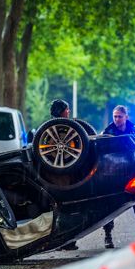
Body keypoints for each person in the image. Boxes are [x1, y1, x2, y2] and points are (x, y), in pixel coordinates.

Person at [101, 105, 135, 249]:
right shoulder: (108, 132)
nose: (117, 119)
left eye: (120, 116)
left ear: (126, 117)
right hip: (114, 174)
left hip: (132, 173)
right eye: (115, 116)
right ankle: (108, 236)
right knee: (109, 207)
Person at [49, 99, 80, 250]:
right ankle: (67, 241)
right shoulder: (66, 127)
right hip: (64, 172)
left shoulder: (47, 127)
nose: (69, 112)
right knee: (67, 206)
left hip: (53, 172)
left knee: (58, 207)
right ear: (62, 111)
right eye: (67, 109)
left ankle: (61, 241)